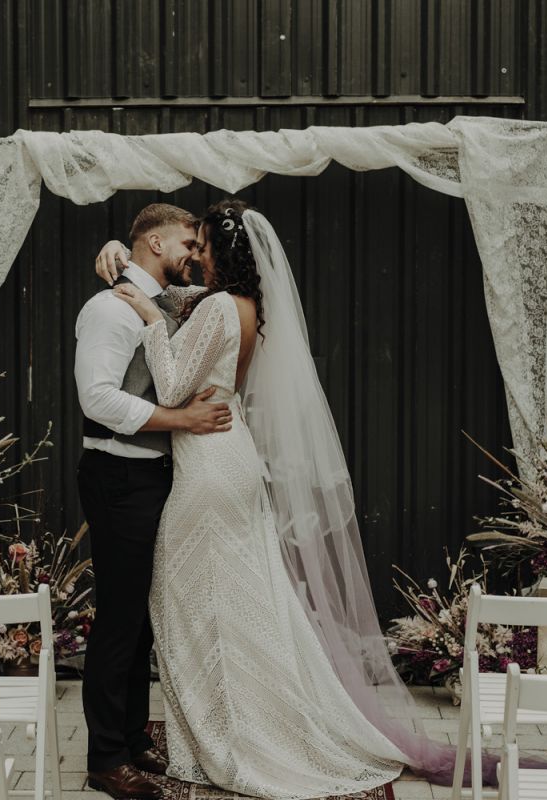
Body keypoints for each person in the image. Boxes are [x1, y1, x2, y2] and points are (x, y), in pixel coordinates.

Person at [105, 199, 408, 798]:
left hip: (208, 466)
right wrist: (119, 254)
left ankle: (238, 735)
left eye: (202, 246)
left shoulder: (218, 305)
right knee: (239, 598)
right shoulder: (245, 305)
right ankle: (245, 717)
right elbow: (179, 307)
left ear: (223, 251)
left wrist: (148, 318)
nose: (195, 256)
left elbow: (173, 387)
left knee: (193, 602)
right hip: (232, 456)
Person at [74, 203, 235, 799]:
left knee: (142, 616)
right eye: (188, 243)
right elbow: (97, 398)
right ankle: (105, 757)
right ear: (157, 243)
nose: (195, 253)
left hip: (154, 475)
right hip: (118, 476)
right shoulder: (109, 309)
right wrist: (181, 421)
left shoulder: (166, 301)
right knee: (119, 618)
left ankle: (132, 735)